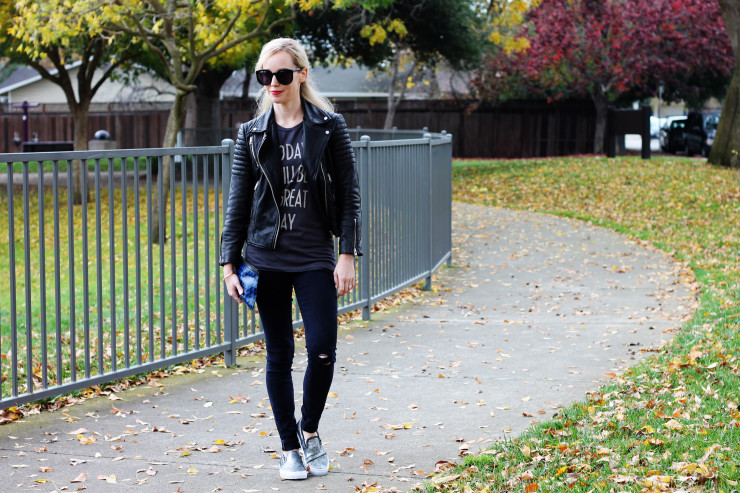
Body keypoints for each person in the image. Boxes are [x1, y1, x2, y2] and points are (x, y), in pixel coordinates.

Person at [219, 37, 362, 481]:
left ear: (300, 74)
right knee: (278, 354)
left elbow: (349, 195)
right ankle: (288, 448)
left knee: (322, 350)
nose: (273, 83)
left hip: (316, 257)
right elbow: (237, 200)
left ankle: (311, 431)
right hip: (267, 259)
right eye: (266, 76)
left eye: (282, 74)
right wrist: (229, 262)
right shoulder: (252, 133)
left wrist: (347, 254)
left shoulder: (329, 126)